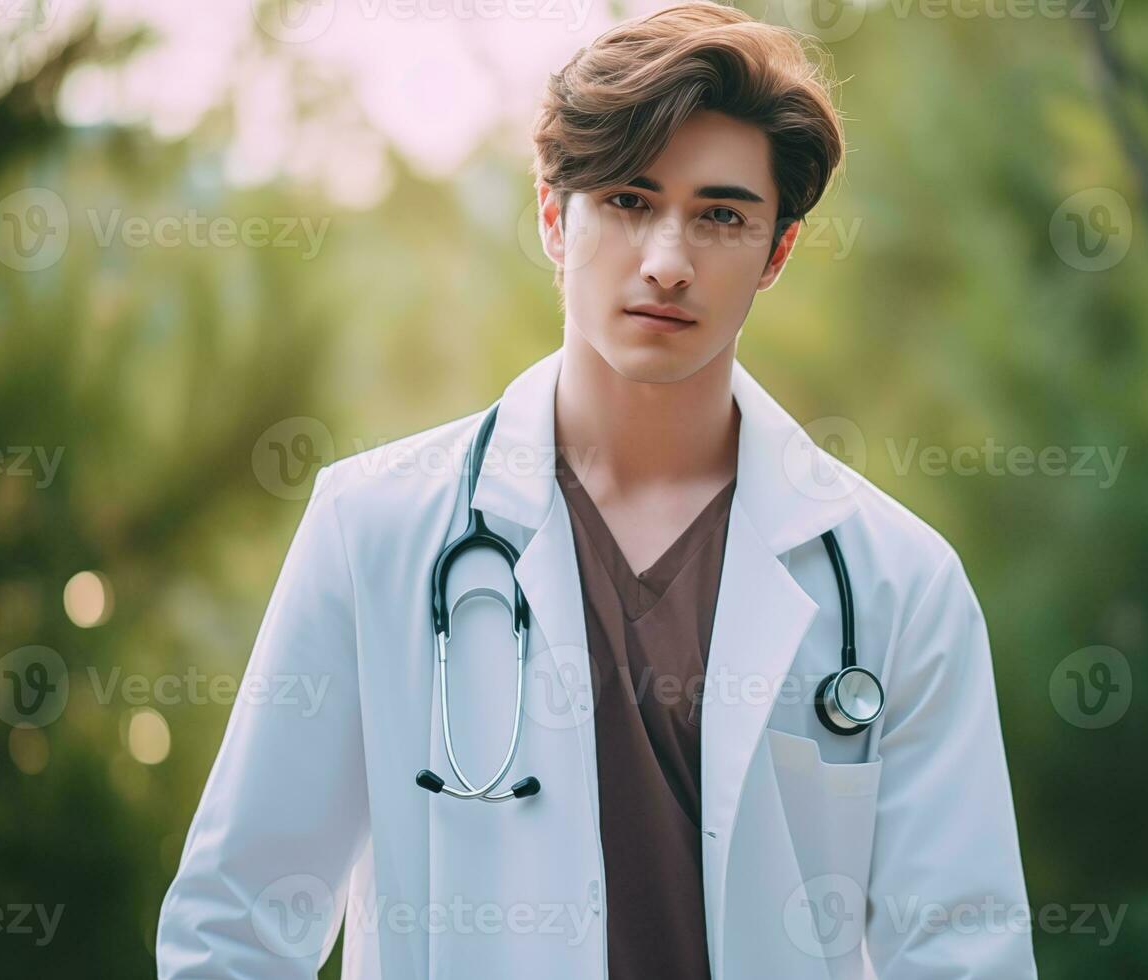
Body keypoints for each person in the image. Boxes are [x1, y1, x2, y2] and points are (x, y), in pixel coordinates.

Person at [156, 3, 1035, 978]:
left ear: (775, 252)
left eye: (720, 215)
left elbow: (962, 954)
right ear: (549, 215)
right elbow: (233, 926)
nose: (667, 259)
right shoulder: (373, 531)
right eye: (626, 199)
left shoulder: (897, 585)